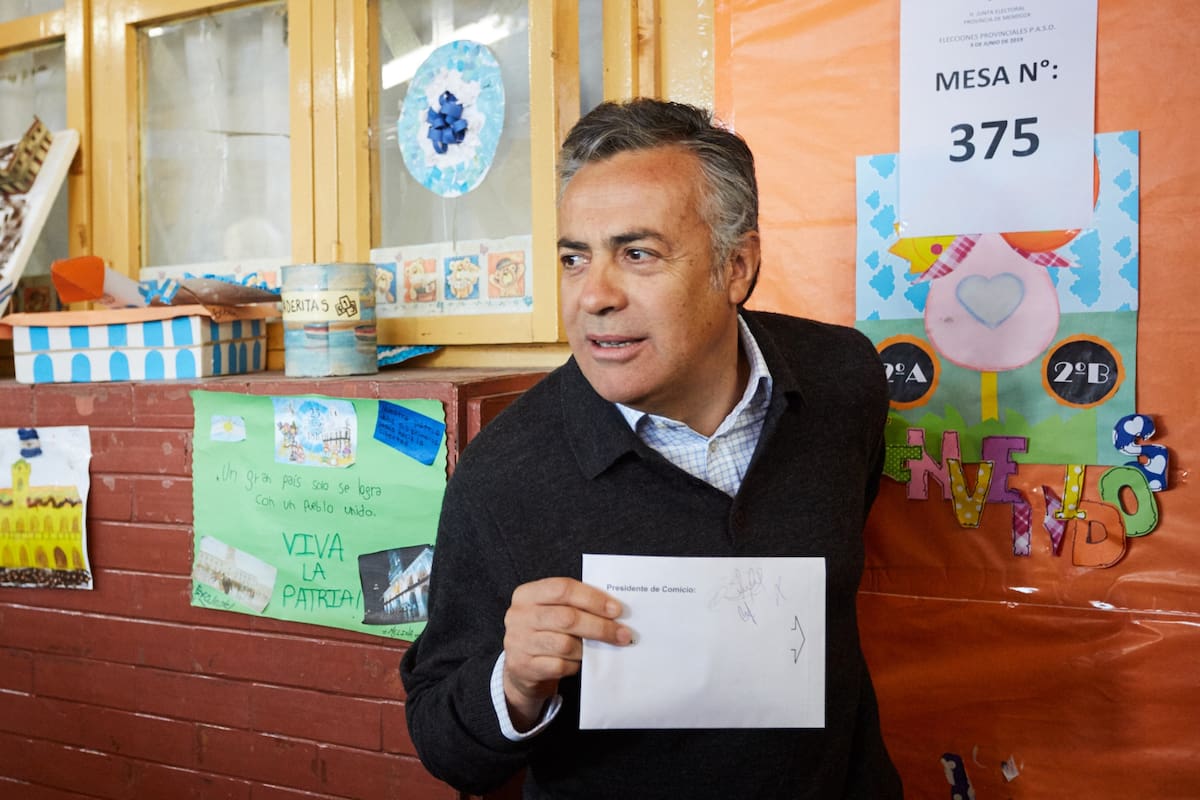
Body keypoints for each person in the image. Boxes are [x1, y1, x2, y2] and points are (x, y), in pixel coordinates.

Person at [400, 98, 903, 799]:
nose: (594, 296)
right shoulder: (505, 473)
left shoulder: (843, 380)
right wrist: (513, 685)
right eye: (575, 259)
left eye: (637, 254)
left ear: (737, 266)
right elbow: (442, 741)